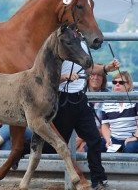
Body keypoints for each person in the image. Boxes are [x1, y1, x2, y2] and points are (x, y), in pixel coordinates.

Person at [47, 57, 119, 190]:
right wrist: (63, 77)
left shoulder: (82, 44)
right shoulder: (58, 44)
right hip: (62, 99)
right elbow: (44, 79)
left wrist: (106, 68)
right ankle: (22, 150)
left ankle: (98, 180)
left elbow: (89, 67)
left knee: (95, 139)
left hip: (80, 98)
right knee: (52, 146)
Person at [101, 71, 138, 153]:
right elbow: (105, 124)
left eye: (121, 82)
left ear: (128, 85)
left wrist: (135, 137)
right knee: (94, 145)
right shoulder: (108, 101)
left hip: (133, 138)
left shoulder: (135, 98)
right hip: (114, 139)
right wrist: (108, 140)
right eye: (114, 82)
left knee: (130, 148)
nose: (117, 84)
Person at [76, 68, 109, 152]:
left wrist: (82, 137)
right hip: (80, 134)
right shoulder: (78, 94)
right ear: (87, 77)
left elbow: (111, 126)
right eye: (92, 75)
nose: (95, 77)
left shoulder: (109, 96)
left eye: (99, 75)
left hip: (101, 134)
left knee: (81, 150)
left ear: (103, 79)